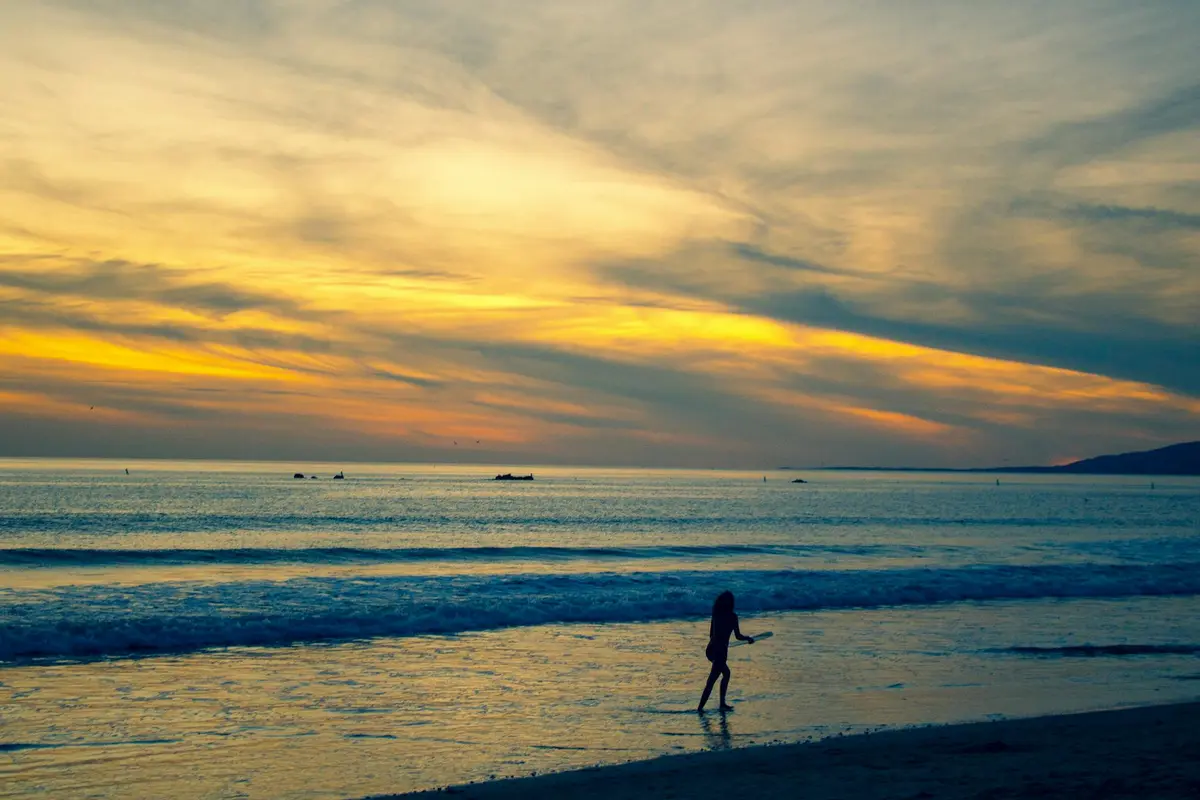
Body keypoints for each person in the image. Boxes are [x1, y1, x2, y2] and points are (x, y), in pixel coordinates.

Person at [697, 590, 753, 712]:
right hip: (720, 651)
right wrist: (748, 639)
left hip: (711, 649)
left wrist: (721, 643)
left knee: (725, 674)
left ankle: (719, 704)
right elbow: (738, 636)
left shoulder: (716, 614)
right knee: (712, 680)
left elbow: (712, 634)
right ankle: (700, 708)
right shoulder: (732, 617)